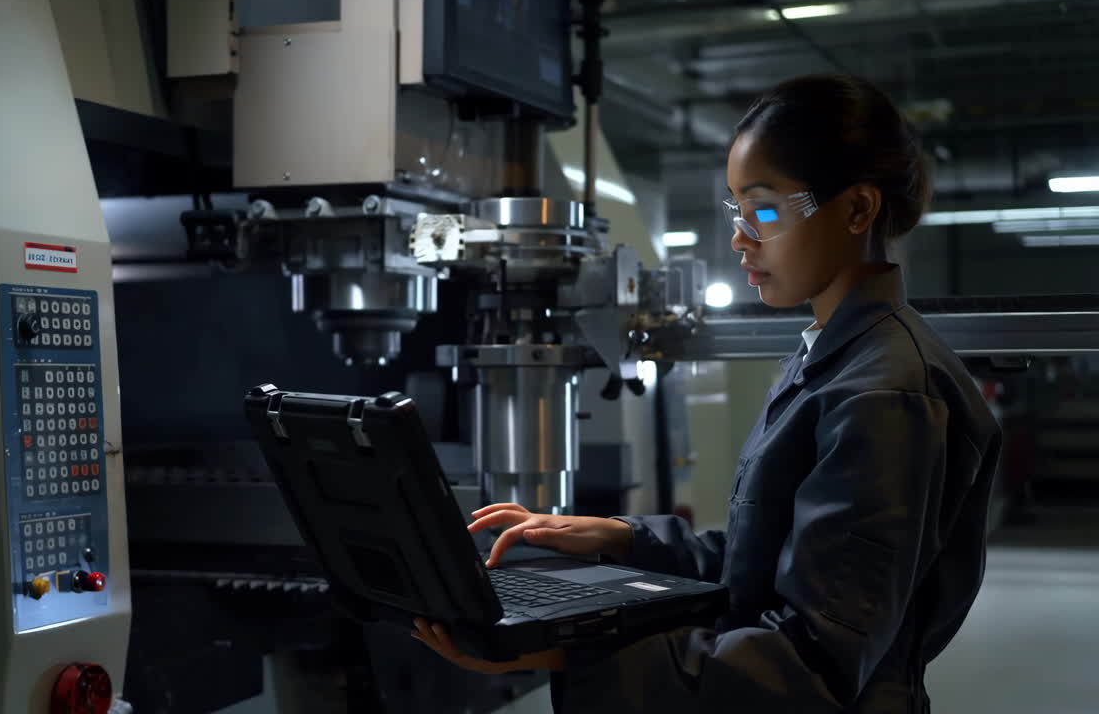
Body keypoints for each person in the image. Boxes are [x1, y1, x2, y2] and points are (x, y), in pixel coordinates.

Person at [410, 74, 1003, 713]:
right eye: (736, 211)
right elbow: (767, 562)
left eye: (766, 211)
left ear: (857, 210)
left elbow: (809, 667)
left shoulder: (885, 392)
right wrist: (618, 537)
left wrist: (560, 649)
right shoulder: (834, 358)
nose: (740, 239)